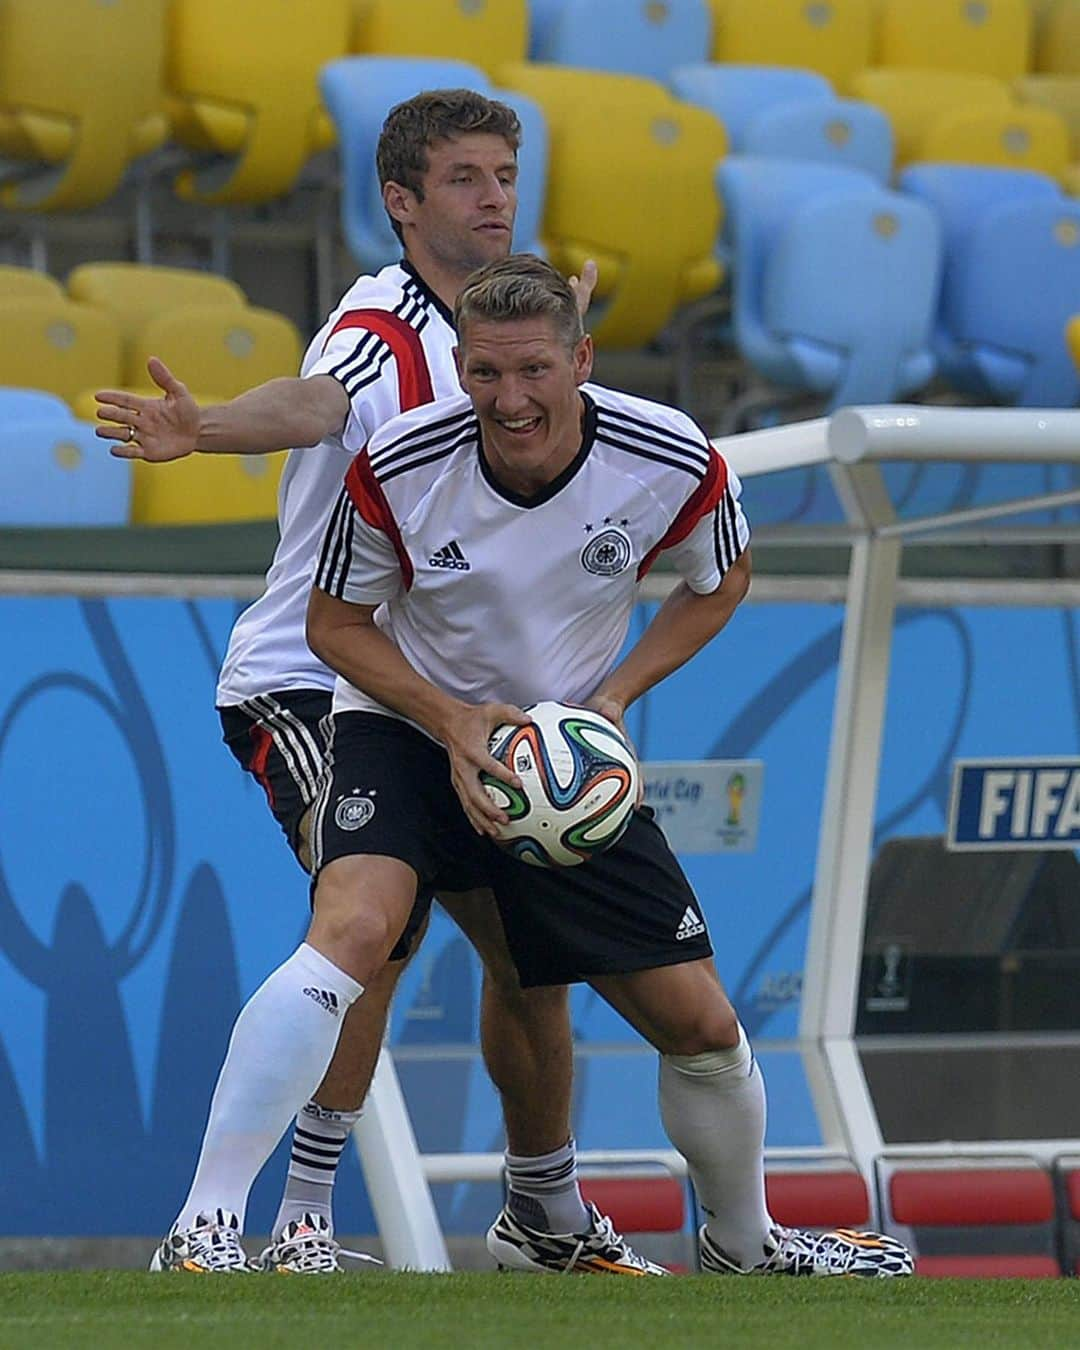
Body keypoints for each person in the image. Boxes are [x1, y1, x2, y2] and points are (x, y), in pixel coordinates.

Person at [97, 93, 654, 1277]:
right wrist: (206, 431)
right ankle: (284, 1222)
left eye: (504, 173)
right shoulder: (379, 318)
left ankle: (542, 1217)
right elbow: (319, 403)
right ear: (400, 203)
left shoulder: (512, 329)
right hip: (311, 677)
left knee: (526, 953)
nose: (495, 196)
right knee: (371, 920)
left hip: (446, 697)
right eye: (463, 178)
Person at [300, 254, 914, 1278]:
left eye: (534, 370)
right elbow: (334, 622)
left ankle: (737, 1244)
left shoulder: (665, 453)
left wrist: (619, 694)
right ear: (459, 367)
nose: (511, 398)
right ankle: (293, 1226)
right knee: (358, 938)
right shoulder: (404, 458)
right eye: (486, 374)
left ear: (580, 359)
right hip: (412, 731)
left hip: (565, 767)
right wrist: (448, 718)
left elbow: (720, 579)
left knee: (701, 1024)